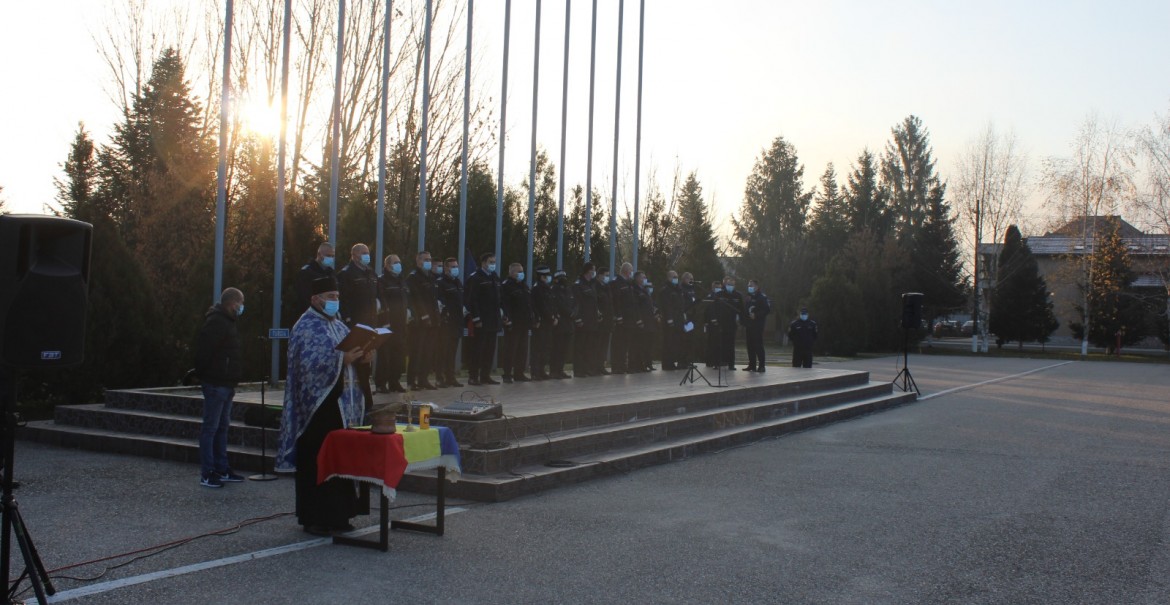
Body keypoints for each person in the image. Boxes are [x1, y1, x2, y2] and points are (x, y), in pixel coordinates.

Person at [276, 276, 368, 536]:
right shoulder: (305, 326)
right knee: (318, 460)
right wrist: (341, 360)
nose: (335, 301)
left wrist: (363, 357)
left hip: (343, 409)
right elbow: (308, 367)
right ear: (315, 299)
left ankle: (341, 515)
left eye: (337, 296)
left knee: (341, 460)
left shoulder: (339, 325)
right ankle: (315, 518)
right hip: (318, 411)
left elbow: (351, 357)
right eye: (330, 297)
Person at [194, 287, 246, 488]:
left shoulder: (228, 321)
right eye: (240, 302)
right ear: (232, 303)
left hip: (226, 383)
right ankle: (207, 472)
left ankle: (222, 468)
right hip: (216, 383)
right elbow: (204, 351)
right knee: (211, 428)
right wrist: (207, 375)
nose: (242, 307)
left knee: (222, 428)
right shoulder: (217, 322)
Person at [336, 243, 378, 408]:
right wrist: (347, 321)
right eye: (363, 253)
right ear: (354, 255)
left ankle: (366, 402)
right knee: (357, 365)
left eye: (368, 252)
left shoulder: (371, 273)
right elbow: (343, 300)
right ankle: (362, 403)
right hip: (355, 326)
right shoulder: (346, 274)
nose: (367, 255)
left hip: (370, 326)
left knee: (366, 363)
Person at [465, 253, 502, 385]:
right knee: (478, 349)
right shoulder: (475, 277)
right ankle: (473, 376)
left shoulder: (494, 277)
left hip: (493, 319)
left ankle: (485, 376)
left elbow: (499, 297)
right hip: (481, 320)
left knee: (489, 350)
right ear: (484, 263)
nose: (493, 264)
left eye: (494, 262)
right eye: (491, 262)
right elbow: (472, 299)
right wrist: (476, 318)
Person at [374, 254, 408, 393]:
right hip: (387, 323)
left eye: (399, 262)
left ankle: (394, 381)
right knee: (384, 355)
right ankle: (381, 383)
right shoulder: (381, 281)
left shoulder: (401, 280)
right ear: (387, 266)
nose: (399, 264)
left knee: (398, 354)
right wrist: (384, 321)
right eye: (395, 262)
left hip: (401, 323)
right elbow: (381, 300)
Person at [406, 251, 439, 390]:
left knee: (428, 351)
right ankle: (411, 381)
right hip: (419, 321)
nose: (428, 262)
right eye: (425, 259)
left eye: (430, 259)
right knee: (416, 351)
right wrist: (424, 316)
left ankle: (423, 379)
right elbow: (415, 299)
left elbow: (434, 298)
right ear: (418, 261)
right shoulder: (413, 277)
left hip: (433, 320)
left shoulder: (431, 276)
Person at [500, 263, 533, 383]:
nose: (521, 273)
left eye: (522, 271)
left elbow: (528, 303)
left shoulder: (524, 285)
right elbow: (504, 303)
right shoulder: (506, 285)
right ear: (511, 272)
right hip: (513, 323)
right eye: (518, 271)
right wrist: (507, 319)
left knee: (522, 350)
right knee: (510, 349)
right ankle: (507, 374)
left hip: (524, 323)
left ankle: (519, 373)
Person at [435, 257, 465, 387]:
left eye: (456, 266)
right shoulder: (440, 282)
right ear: (446, 268)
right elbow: (439, 301)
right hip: (446, 322)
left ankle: (450, 377)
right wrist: (445, 313)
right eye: (453, 267)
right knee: (443, 351)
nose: (455, 269)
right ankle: (439, 378)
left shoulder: (457, 282)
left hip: (457, 322)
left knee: (452, 352)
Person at [572, 263, 600, 377]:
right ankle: (579, 370)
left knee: (589, 346)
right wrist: (578, 319)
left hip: (591, 321)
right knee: (580, 346)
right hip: (582, 321)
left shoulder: (591, 284)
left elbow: (593, 302)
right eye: (593, 270)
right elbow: (576, 303)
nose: (594, 272)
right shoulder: (578, 284)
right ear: (588, 271)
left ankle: (587, 369)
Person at [294, 242, 335, 318]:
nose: (331, 258)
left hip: (328, 315)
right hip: (311, 316)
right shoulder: (306, 272)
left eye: (333, 256)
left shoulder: (331, 272)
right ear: (319, 254)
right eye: (328, 255)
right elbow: (304, 298)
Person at [609, 262, 636, 373]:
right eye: (631, 270)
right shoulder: (616, 282)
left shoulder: (628, 283)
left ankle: (622, 364)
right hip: (621, 318)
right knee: (618, 343)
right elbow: (616, 301)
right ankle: (616, 366)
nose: (632, 273)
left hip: (628, 318)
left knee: (625, 343)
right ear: (626, 271)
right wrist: (618, 315)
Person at [549, 269, 576, 379]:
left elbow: (574, 302)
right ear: (555, 279)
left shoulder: (568, 290)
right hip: (559, 324)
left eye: (564, 277)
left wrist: (574, 312)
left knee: (564, 349)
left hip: (568, 324)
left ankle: (560, 370)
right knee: (557, 349)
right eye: (561, 278)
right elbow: (559, 305)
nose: (563, 279)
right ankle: (554, 371)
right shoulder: (554, 290)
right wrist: (570, 312)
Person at [530, 265, 555, 380]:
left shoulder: (547, 288)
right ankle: (535, 372)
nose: (549, 277)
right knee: (538, 348)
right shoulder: (537, 288)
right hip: (541, 322)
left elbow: (551, 305)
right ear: (542, 277)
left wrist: (554, 316)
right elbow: (540, 306)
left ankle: (541, 370)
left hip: (548, 322)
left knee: (546, 347)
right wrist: (550, 317)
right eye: (547, 275)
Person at [714, 277, 744, 370]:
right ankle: (718, 362)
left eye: (732, 285)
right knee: (720, 344)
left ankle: (731, 364)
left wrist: (741, 321)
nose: (730, 286)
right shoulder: (719, 294)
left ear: (734, 285)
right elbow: (714, 308)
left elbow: (741, 309)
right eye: (728, 284)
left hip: (732, 323)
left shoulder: (738, 295)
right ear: (725, 285)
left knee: (731, 345)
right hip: (721, 323)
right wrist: (715, 320)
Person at [743, 280, 772, 372]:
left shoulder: (762, 297)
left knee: (758, 345)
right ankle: (752, 365)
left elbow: (767, 310)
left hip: (757, 325)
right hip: (749, 325)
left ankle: (762, 366)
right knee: (750, 345)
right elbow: (745, 309)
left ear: (756, 286)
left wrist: (756, 315)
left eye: (751, 286)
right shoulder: (748, 297)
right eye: (748, 286)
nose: (749, 287)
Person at [660, 270, 686, 371]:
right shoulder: (666, 290)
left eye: (677, 277)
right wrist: (669, 319)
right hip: (670, 320)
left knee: (677, 342)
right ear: (669, 278)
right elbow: (666, 306)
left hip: (679, 319)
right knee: (668, 342)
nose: (676, 279)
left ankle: (676, 362)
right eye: (674, 277)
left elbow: (681, 304)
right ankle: (667, 364)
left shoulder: (678, 289)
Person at [631, 272, 657, 372]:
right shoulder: (635, 290)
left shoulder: (645, 289)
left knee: (649, 344)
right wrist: (639, 319)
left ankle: (648, 363)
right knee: (641, 344)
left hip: (650, 321)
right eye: (643, 277)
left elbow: (650, 303)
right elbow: (636, 306)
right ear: (637, 278)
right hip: (643, 321)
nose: (645, 279)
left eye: (645, 277)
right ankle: (640, 365)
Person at [593, 266, 614, 375]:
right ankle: (595, 367)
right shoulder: (595, 286)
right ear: (599, 275)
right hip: (599, 321)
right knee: (597, 345)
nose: (607, 278)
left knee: (604, 345)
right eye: (606, 275)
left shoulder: (606, 287)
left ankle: (601, 366)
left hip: (607, 321)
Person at [703, 280, 723, 368]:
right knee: (711, 343)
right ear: (712, 288)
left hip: (720, 322)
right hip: (711, 323)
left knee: (718, 343)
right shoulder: (710, 296)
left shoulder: (722, 296)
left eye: (719, 287)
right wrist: (712, 320)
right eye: (716, 287)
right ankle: (710, 361)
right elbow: (708, 309)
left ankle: (717, 361)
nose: (718, 289)